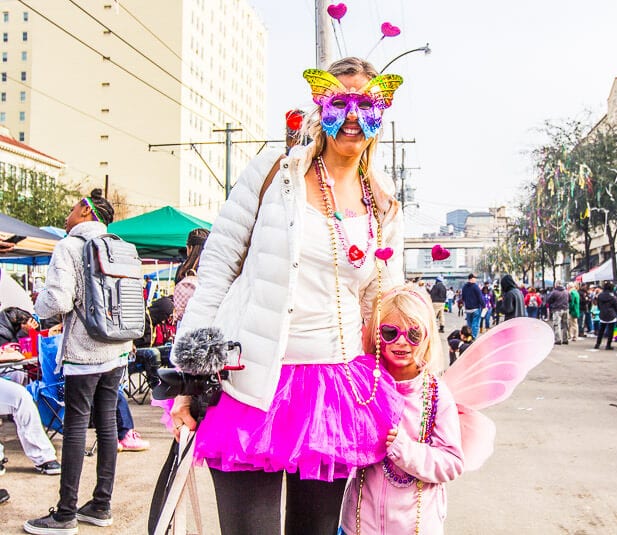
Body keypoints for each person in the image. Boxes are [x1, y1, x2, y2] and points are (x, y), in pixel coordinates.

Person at [168, 57, 406, 535]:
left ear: (383, 110)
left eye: (368, 103)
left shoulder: (383, 200)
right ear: (320, 106)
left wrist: (417, 373)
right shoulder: (275, 172)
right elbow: (217, 268)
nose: (354, 117)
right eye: (340, 102)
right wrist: (188, 375)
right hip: (250, 381)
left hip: (334, 393)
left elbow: (384, 301)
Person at [25, 189, 128, 533]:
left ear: (85, 211)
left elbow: (58, 300)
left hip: (84, 352)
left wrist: (38, 311)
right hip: (116, 350)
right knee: (108, 426)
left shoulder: (69, 246)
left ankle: (66, 513)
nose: (67, 217)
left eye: (71, 209)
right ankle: (101, 504)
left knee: (74, 430)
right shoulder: (119, 246)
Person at [340, 285, 464, 534]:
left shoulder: (436, 394)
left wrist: (405, 450)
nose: (401, 342)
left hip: (416, 526)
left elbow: (452, 463)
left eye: (413, 334)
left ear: (427, 336)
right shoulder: (363, 384)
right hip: (360, 525)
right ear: (376, 335)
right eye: (390, 332)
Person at [172, 228, 211, 326]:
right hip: (210, 321)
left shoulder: (183, 271)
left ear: (189, 248)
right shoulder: (213, 269)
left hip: (186, 322)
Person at [594, 282, 617, 350]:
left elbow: (598, 305)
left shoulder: (600, 296)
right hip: (611, 314)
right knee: (611, 331)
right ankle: (608, 345)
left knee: (601, 330)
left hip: (602, 314)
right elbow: (616, 306)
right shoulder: (613, 297)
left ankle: (597, 344)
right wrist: (616, 313)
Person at [461, 274, 483, 339]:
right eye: (474, 278)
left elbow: (463, 297)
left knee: (469, 325)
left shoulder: (464, 287)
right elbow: (480, 297)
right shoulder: (475, 287)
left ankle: (468, 336)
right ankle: (473, 337)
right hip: (475, 309)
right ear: (471, 278)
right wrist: (484, 305)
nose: (475, 279)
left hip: (468, 309)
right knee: (475, 324)